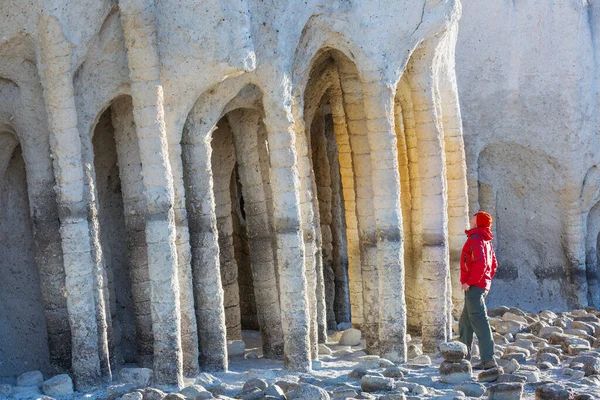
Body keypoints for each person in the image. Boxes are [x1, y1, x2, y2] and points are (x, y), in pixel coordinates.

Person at [459, 210, 498, 370]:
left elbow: (481, 264)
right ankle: (463, 358)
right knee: (465, 323)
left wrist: (470, 282)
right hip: (480, 286)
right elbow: (493, 264)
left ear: (478, 221)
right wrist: (485, 281)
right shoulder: (484, 239)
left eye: (474, 216)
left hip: (474, 287)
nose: (471, 217)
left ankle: (488, 360)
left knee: (480, 322)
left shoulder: (476, 238)